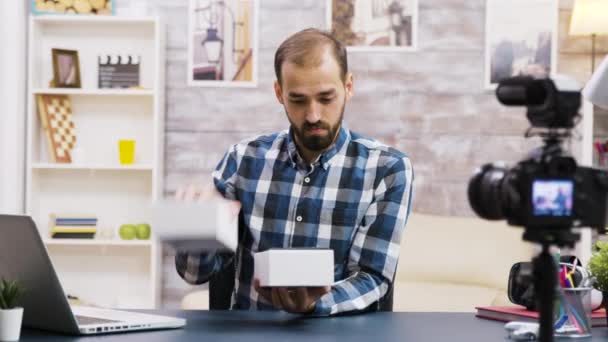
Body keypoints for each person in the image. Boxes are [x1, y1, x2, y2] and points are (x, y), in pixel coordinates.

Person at [175, 28, 414, 316]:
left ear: (348, 87)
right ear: (279, 93)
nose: (313, 115)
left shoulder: (387, 170)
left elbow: (372, 278)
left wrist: (317, 304)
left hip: (336, 335)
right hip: (251, 334)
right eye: (298, 100)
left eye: (326, 98)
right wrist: (196, 232)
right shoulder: (242, 160)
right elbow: (195, 275)